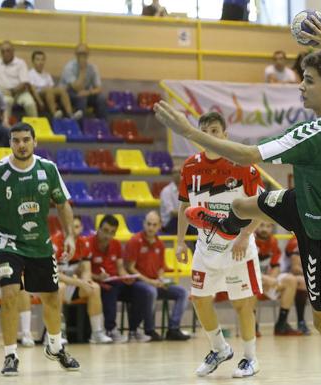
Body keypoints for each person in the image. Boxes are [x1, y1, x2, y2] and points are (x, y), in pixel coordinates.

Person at [155, 16, 321, 385]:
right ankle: (224, 226)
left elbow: (247, 155)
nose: (300, 86)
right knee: (242, 205)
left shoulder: (313, 135)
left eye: (308, 81)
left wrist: (190, 132)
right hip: (305, 202)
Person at [0, 123, 80, 376]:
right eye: (16, 140)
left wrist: (70, 235)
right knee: (10, 295)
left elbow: (62, 204)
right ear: (10, 143)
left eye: (26, 139)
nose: (21, 144)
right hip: (8, 243)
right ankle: (10, 355)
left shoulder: (47, 169)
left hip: (40, 244)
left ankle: (55, 346)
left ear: (34, 142)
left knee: (51, 298)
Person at [177, 111, 264, 377]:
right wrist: (181, 242)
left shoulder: (243, 165)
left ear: (224, 134)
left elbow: (260, 208)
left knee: (242, 305)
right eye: (205, 130)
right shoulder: (190, 167)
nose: (210, 135)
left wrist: (245, 236)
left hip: (238, 247)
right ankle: (220, 348)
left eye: (215, 130)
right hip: (205, 248)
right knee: (199, 299)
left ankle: (250, 358)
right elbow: (184, 206)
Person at [125, 211, 190, 342]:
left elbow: (161, 268)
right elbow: (130, 268)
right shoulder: (135, 241)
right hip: (138, 284)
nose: (151, 227)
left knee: (182, 292)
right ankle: (149, 330)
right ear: (144, 224)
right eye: (148, 224)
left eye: (154, 225)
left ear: (159, 226)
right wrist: (150, 282)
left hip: (155, 282)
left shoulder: (160, 244)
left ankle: (173, 329)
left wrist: (160, 280)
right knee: (151, 291)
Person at [90, 214, 152, 343]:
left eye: (112, 232)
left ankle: (133, 331)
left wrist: (126, 277)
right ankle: (110, 329)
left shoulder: (116, 244)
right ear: (98, 229)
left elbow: (120, 268)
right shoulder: (88, 243)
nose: (108, 236)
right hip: (97, 284)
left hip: (115, 281)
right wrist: (97, 277)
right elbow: (83, 272)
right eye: (105, 231)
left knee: (142, 291)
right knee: (110, 289)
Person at [52, 216, 111, 344]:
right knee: (59, 287)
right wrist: (78, 282)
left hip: (72, 284)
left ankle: (97, 333)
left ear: (82, 228)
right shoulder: (55, 242)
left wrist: (85, 281)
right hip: (52, 285)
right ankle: (56, 333)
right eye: (71, 227)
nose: (74, 230)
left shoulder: (84, 243)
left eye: (77, 227)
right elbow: (53, 274)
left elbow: (86, 270)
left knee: (94, 287)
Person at [254, 221, 302, 336]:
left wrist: (271, 279)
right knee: (251, 284)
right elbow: (244, 268)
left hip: (266, 282)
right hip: (250, 281)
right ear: (255, 226)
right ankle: (252, 326)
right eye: (261, 225)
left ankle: (281, 324)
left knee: (291, 280)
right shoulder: (249, 240)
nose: (264, 229)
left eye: (268, 226)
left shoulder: (273, 242)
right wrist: (263, 279)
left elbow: (276, 266)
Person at [0, 41, 38, 117]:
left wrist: (11, 92)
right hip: (4, 93)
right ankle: (6, 127)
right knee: (6, 102)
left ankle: (34, 126)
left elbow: (25, 83)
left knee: (30, 103)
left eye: (8, 51)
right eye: (3, 51)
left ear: (13, 51)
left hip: (20, 93)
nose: (5, 53)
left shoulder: (21, 63)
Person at [28, 51, 81, 120]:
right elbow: (33, 89)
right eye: (38, 60)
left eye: (42, 60)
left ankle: (70, 114)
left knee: (61, 90)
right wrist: (39, 102)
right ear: (33, 61)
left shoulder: (47, 74)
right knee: (49, 90)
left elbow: (53, 87)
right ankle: (54, 113)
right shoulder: (30, 74)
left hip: (49, 94)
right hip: (38, 95)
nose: (40, 62)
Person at [59, 44, 107, 119]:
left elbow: (99, 88)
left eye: (84, 53)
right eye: (79, 53)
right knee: (82, 99)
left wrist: (88, 92)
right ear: (75, 54)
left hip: (85, 92)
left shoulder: (93, 68)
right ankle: (81, 127)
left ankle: (101, 124)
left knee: (101, 98)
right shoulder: (69, 67)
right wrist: (82, 70)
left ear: (88, 55)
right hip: (68, 93)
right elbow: (77, 87)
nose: (82, 56)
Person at [284, 236, 311, 335]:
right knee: (301, 281)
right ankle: (301, 321)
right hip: (286, 275)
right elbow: (296, 269)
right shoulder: (296, 241)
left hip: (302, 276)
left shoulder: (317, 239)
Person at [160, 167, 181, 234]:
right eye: (175, 172)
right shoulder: (166, 191)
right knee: (177, 220)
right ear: (172, 175)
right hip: (169, 222)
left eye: (179, 172)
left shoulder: (187, 190)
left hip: (182, 219)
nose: (177, 174)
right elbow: (172, 213)